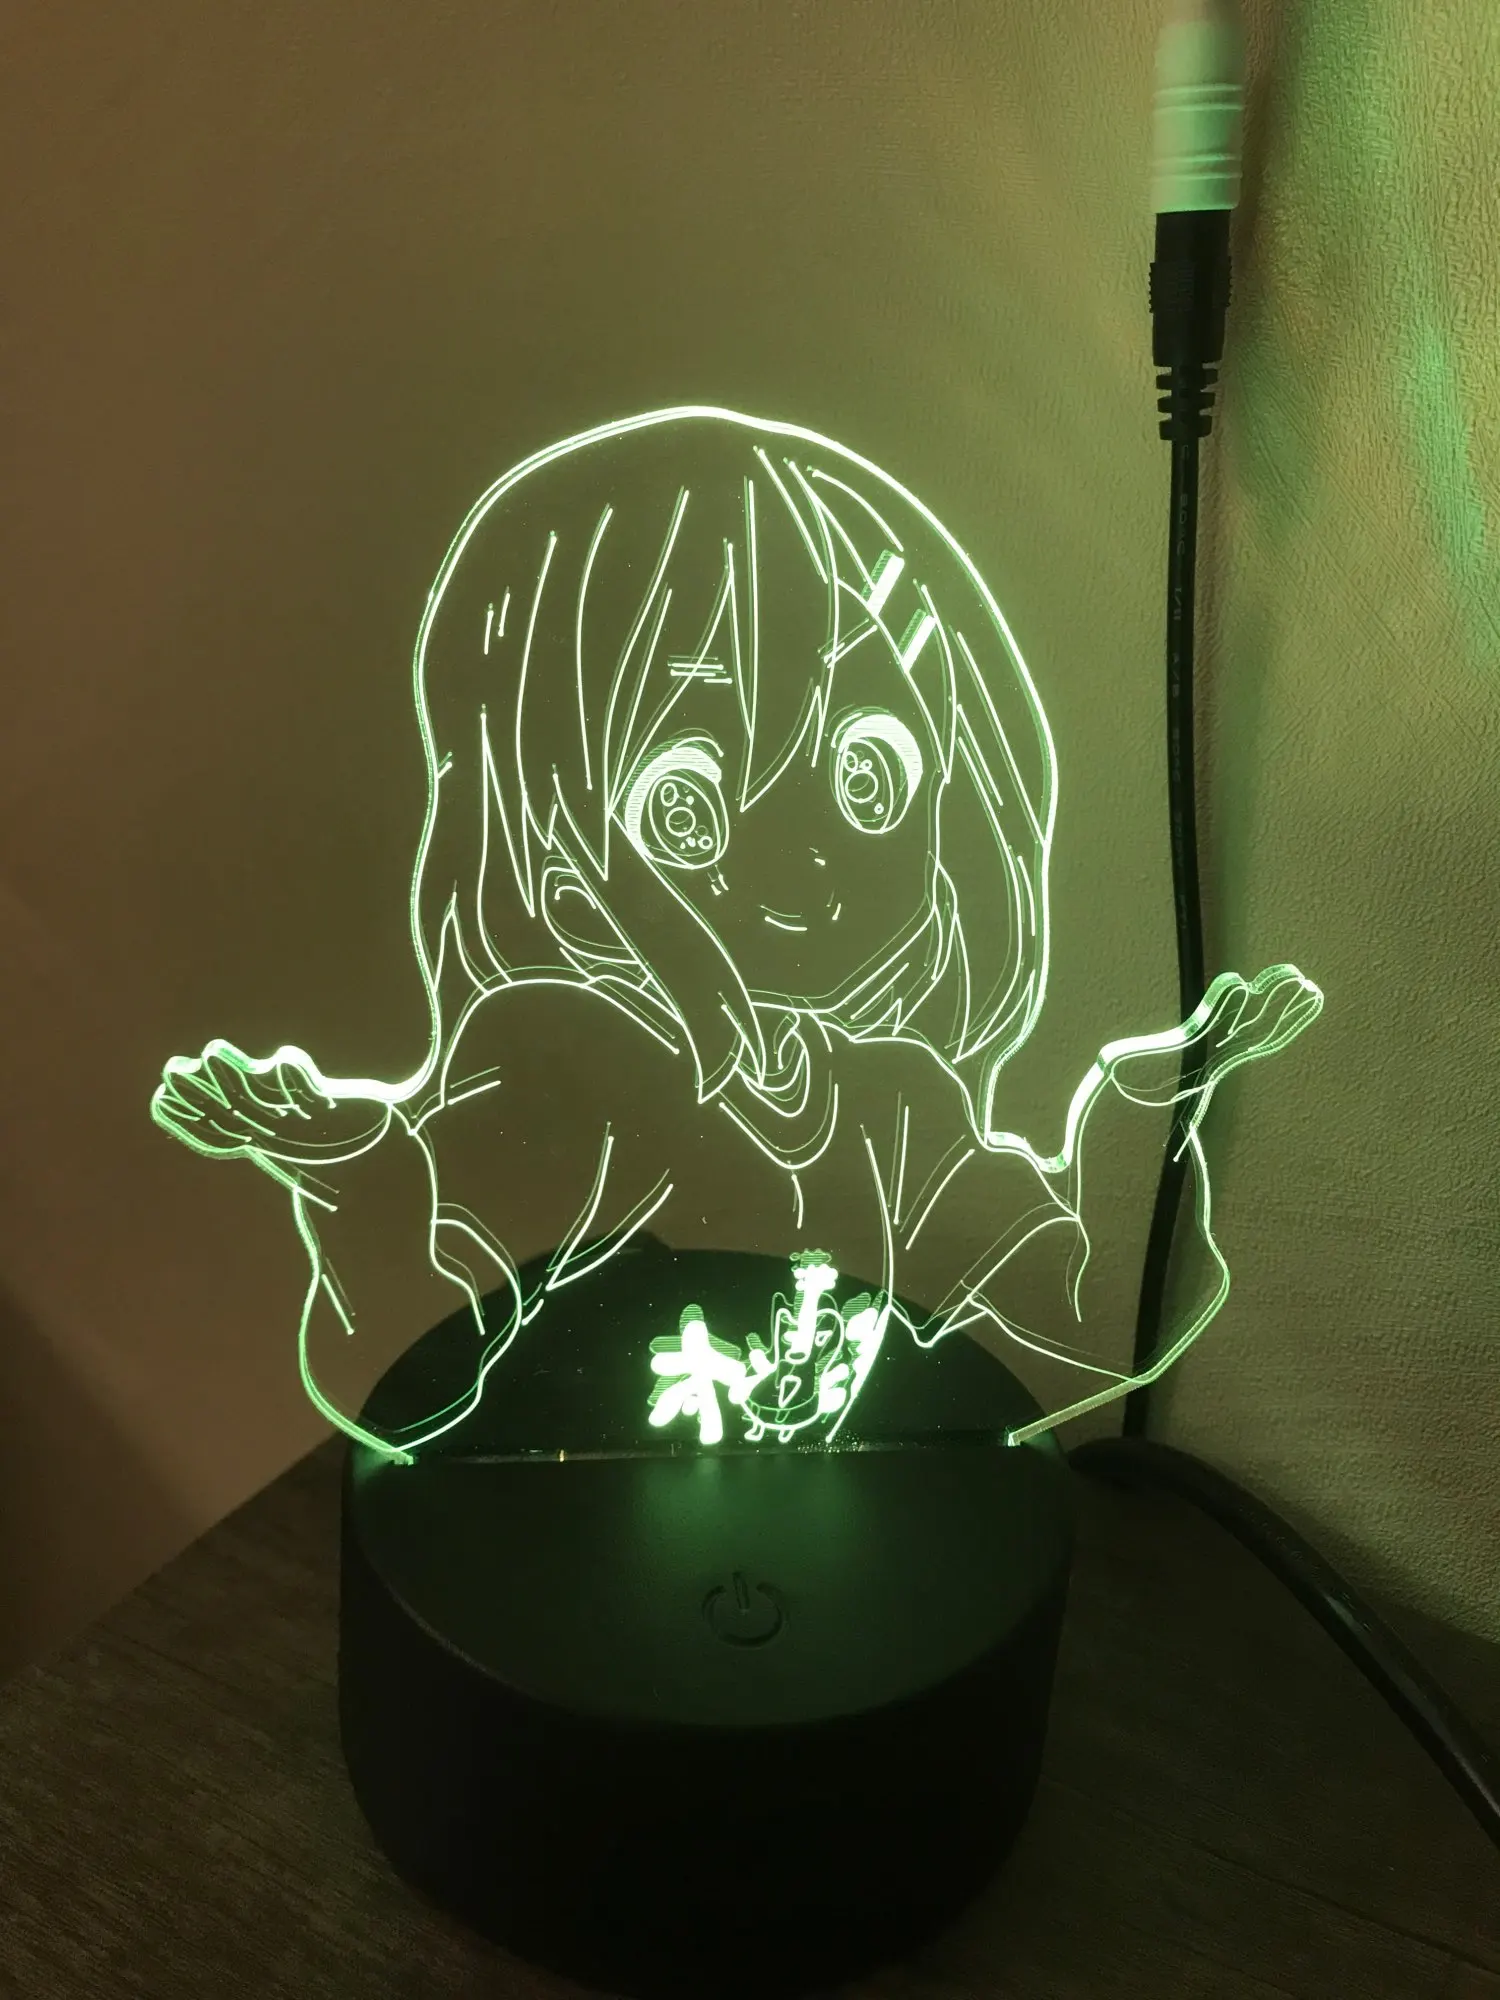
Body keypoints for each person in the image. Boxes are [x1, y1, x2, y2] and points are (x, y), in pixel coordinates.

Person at [152, 408, 1322, 1460]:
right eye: (688, 802)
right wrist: (355, 1172)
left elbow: (1081, 1318)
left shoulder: (895, 1102)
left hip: (829, 1538)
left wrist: (1148, 1111)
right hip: (571, 1524)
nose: (805, 862)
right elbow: (417, 1354)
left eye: (868, 776)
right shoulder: (561, 1057)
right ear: (551, 849)